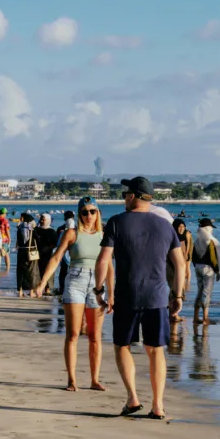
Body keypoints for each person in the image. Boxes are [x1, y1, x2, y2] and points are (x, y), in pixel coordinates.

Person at [94, 176, 184, 419]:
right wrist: (178, 294)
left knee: (122, 345)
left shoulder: (116, 222)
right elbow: (180, 263)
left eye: (125, 194)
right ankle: (158, 405)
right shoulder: (166, 225)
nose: (124, 198)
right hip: (157, 297)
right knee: (156, 350)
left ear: (133, 196)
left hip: (127, 296)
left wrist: (99, 290)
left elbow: (103, 260)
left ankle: (133, 398)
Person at [35, 196, 109, 392]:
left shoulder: (104, 235)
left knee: (95, 336)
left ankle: (95, 379)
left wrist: (113, 293)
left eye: (92, 211)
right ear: (79, 214)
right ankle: (72, 380)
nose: (89, 215)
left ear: (98, 213)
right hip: (75, 280)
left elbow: (109, 266)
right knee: (73, 334)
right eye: (84, 212)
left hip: (97, 284)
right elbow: (57, 257)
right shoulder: (71, 233)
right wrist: (43, 283)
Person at [192, 218, 220, 325]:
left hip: (198, 267)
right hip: (208, 269)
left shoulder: (196, 241)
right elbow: (213, 258)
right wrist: (217, 271)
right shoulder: (210, 242)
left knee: (199, 292)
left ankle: (195, 318)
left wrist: (196, 265)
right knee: (206, 293)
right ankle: (205, 319)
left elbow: (193, 256)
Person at [168, 219, 194, 318]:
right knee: (174, 289)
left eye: (183, 226)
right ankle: (173, 314)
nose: (181, 228)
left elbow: (187, 252)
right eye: (179, 227)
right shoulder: (171, 238)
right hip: (171, 267)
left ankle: (173, 312)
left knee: (179, 291)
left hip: (180, 268)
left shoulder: (185, 237)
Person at [16, 213, 41, 297]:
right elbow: (38, 239)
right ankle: (31, 292)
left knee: (20, 271)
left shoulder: (19, 228)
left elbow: (19, 241)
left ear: (23, 218)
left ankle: (20, 291)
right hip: (31, 251)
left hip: (21, 251)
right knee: (31, 271)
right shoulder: (31, 229)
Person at [34, 213, 58, 296]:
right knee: (38, 271)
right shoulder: (37, 230)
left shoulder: (52, 231)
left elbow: (55, 243)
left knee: (47, 271)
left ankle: (47, 289)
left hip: (47, 254)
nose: (41, 221)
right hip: (37, 254)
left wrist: (47, 248)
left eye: (43, 219)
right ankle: (38, 288)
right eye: (40, 219)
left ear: (48, 220)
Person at [55, 211, 76, 295]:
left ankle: (62, 289)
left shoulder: (60, 228)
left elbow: (57, 242)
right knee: (71, 272)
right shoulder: (77, 229)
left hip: (63, 253)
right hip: (71, 254)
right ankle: (68, 289)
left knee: (63, 272)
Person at [0, 207, 12, 272]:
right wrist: (9, 238)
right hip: (4, 239)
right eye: (6, 213)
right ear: (4, 213)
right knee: (6, 254)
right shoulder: (5, 220)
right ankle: (7, 268)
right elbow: (7, 230)